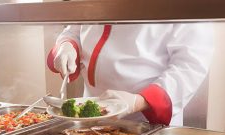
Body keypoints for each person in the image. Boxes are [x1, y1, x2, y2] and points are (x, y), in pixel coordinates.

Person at [47, 24, 214, 126]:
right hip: (90, 113)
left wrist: (138, 102)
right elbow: (75, 28)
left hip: (145, 119)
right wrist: (67, 45)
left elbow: (190, 65)